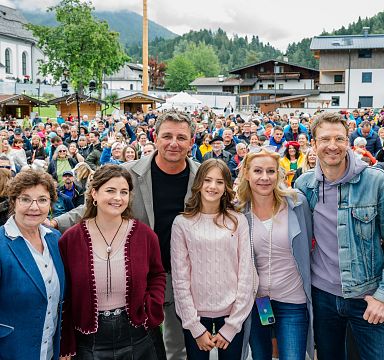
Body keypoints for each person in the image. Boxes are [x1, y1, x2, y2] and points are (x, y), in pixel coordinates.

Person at [52, 111, 200, 360]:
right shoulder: (129, 173)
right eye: (167, 136)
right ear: (155, 136)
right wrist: (55, 222)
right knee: (146, 343)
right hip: (140, 275)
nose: (173, 143)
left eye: (181, 137)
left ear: (191, 141)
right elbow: (92, 206)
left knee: (179, 350)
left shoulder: (201, 177)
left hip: (186, 274)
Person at [295, 112, 384, 360]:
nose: (332, 146)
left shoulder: (376, 182)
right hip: (322, 296)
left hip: (367, 296)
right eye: (324, 139)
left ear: (348, 141)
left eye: (339, 139)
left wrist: (382, 297)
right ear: (313, 144)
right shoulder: (304, 185)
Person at [58, 165, 166, 359]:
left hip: (138, 334)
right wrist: (67, 341)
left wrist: (152, 306)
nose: (118, 198)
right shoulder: (70, 239)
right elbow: (64, 294)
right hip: (88, 341)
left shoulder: (145, 235)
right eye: (110, 190)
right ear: (94, 194)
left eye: (124, 192)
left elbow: (157, 274)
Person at [171, 159, 253, 359]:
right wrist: (194, 326)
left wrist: (233, 324)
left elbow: (246, 273)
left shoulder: (237, 221)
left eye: (219, 182)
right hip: (197, 315)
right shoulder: (182, 223)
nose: (212, 186)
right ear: (198, 183)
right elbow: (180, 279)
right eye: (207, 180)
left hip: (231, 313)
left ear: (226, 187)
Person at [237, 147, 314, 360]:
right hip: (257, 302)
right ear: (246, 173)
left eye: (271, 171)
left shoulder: (297, 204)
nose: (264, 177)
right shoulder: (238, 211)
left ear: (278, 174)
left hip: (293, 300)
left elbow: (309, 245)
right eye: (258, 171)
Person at [0, 170, 65, 360]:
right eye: (26, 199)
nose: (34, 207)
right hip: (11, 351)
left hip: (49, 351)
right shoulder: (2, 243)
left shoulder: (54, 239)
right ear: (14, 202)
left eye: (42, 200)